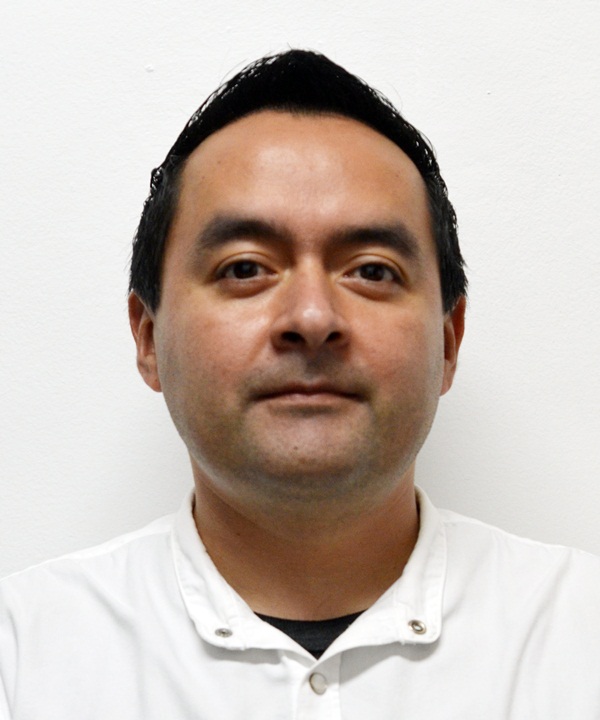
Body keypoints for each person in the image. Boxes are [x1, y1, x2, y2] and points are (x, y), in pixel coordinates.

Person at [1, 49, 599, 719]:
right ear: (147, 338)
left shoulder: (581, 638)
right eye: (244, 268)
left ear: (449, 341)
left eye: (371, 271)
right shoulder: (22, 660)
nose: (312, 318)